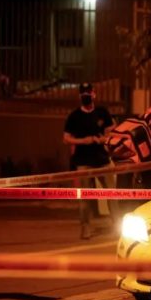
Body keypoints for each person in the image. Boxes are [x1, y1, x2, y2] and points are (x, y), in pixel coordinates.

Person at [63, 82, 118, 239]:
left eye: (89, 92)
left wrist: (103, 139)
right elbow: (66, 138)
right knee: (85, 197)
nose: (87, 96)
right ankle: (85, 226)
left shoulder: (102, 112)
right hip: (83, 162)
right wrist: (83, 141)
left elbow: (112, 131)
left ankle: (116, 224)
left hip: (102, 160)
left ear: (94, 94)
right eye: (84, 93)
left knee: (112, 194)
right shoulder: (74, 116)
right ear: (80, 96)